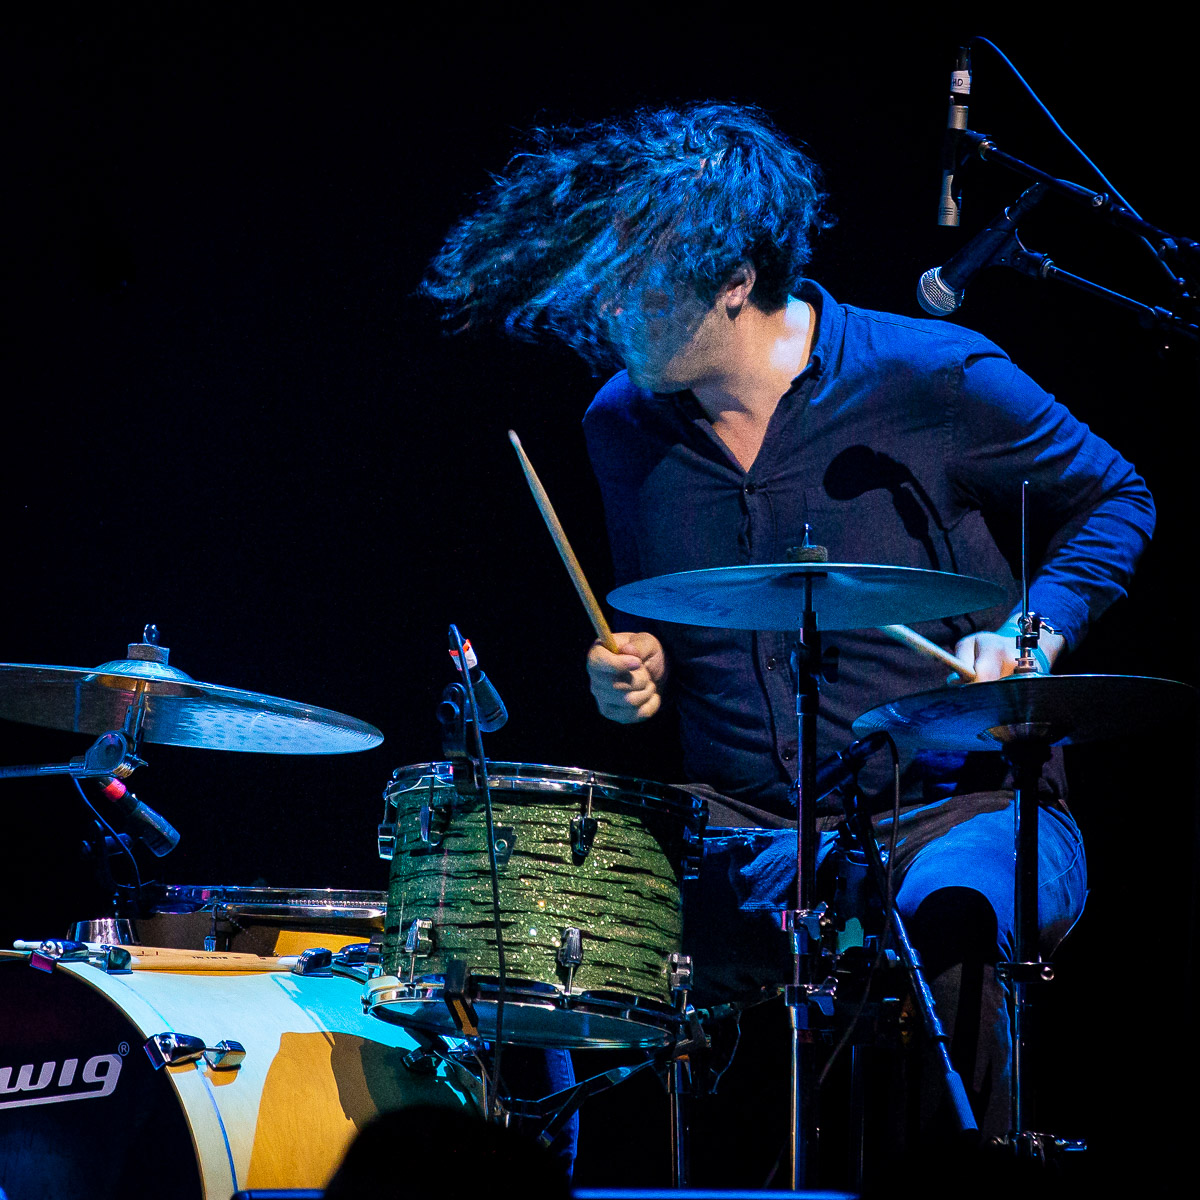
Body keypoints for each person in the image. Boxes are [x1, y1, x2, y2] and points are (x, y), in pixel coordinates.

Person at [423, 104, 1153, 1147]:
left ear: (734, 280)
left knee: (945, 916)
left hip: (961, 811)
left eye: (637, 280)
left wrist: (1037, 631)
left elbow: (1119, 495)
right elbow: (666, 624)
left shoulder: (931, 378)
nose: (609, 308)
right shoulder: (620, 427)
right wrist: (634, 672)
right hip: (740, 832)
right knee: (532, 927)